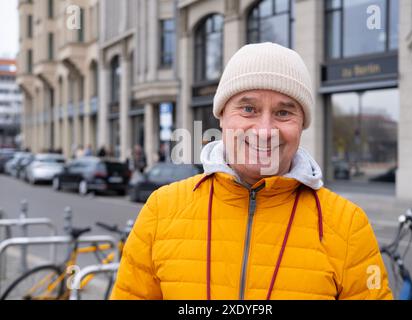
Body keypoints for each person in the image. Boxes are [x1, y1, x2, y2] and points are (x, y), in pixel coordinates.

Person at [110, 42, 392, 300]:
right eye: (248, 108)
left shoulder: (348, 225)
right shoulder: (161, 210)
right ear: (221, 117)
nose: (265, 131)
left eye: (284, 113)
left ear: (301, 126)